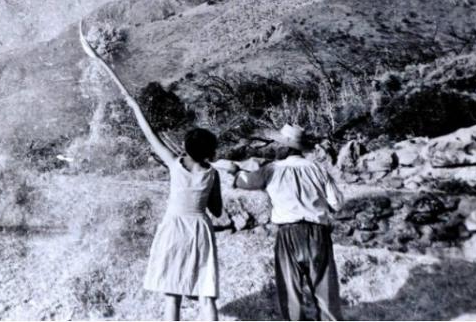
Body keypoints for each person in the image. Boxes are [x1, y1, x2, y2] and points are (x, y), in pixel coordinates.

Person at [79, 27, 223, 321]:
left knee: (173, 297)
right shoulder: (212, 173)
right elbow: (217, 211)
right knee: (206, 296)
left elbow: (149, 133)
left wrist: (133, 104)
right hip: (201, 230)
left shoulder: (174, 164)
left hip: (175, 228)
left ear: (186, 147)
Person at [227, 123, 344, 321]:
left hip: (288, 233)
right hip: (318, 232)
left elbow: (243, 182)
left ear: (284, 147)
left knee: (290, 291)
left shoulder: (271, 170)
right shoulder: (318, 169)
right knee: (325, 291)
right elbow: (337, 203)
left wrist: (235, 171)